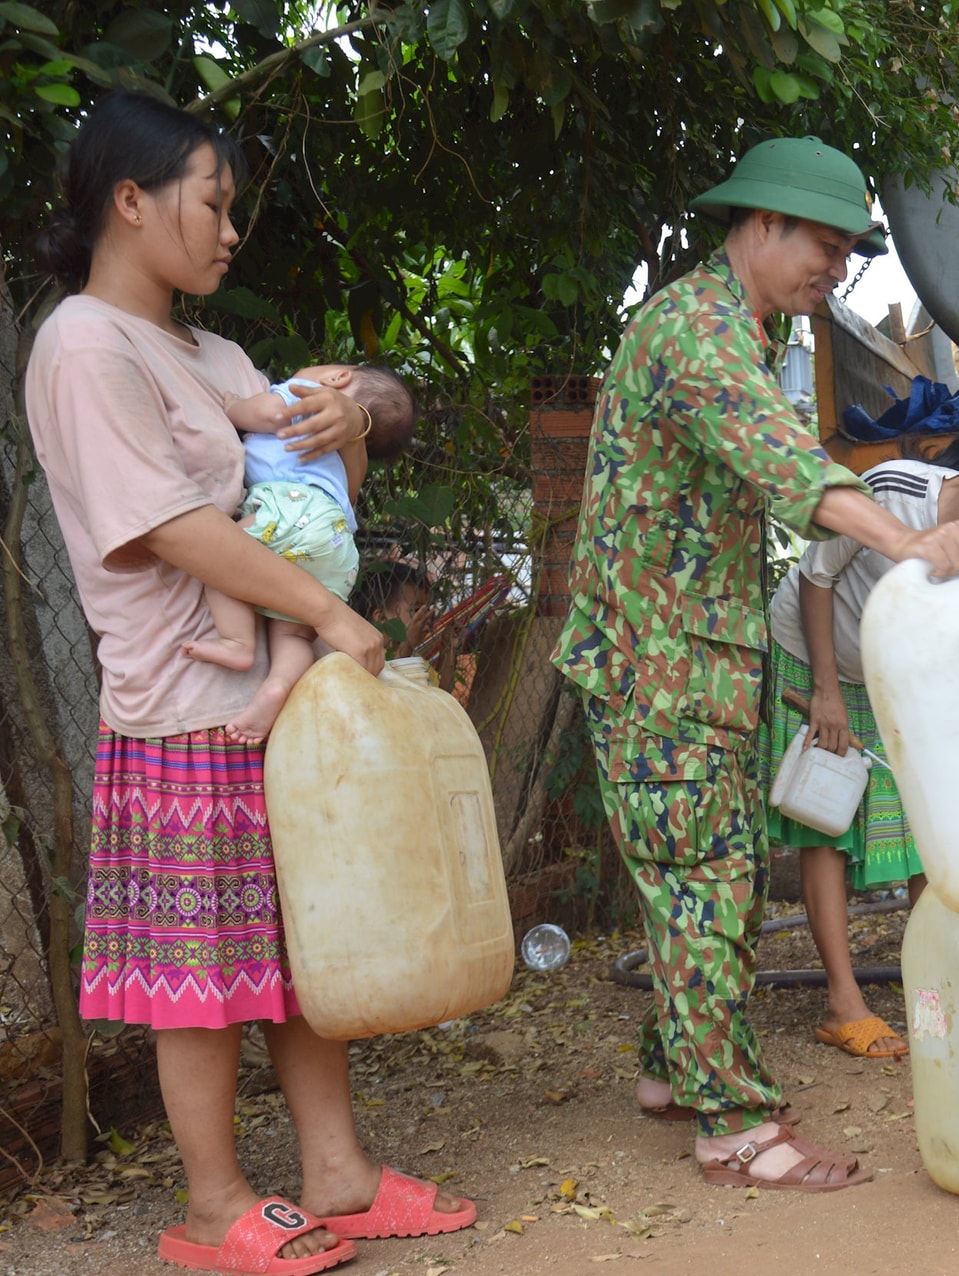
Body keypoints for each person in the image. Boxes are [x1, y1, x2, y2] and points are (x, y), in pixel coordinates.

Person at [23, 90, 472, 1275]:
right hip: (180, 703)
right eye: (212, 204)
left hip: (275, 705)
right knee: (204, 975)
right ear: (131, 200)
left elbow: (303, 503)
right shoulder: (83, 345)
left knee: (295, 951)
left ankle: (340, 1174)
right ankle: (213, 1203)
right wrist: (324, 610)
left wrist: (347, 433)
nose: (230, 231)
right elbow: (165, 525)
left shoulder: (214, 351)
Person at [551, 136, 959, 1193]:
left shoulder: (736, 330)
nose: (833, 271)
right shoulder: (700, 334)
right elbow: (789, 471)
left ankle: (675, 1072)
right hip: (659, 667)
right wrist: (910, 540)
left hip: (688, 661)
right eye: (823, 246)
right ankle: (736, 1128)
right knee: (706, 886)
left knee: (708, 879)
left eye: (846, 253)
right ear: (759, 223)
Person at [762, 393, 959, 1060]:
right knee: (828, 819)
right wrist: (824, 692)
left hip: (895, 671)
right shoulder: (895, 489)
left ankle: (943, 987)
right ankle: (843, 1003)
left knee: (925, 828)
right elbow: (815, 582)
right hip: (815, 651)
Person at [182, 363, 417, 740]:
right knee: (294, 634)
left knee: (221, 560)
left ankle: (239, 642)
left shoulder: (307, 394)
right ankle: (277, 686)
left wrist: (233, 407)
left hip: (290, 509)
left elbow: (270, 413)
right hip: (336, 540)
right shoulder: (344, 450)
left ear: (338, 378)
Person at [348, 560, 434, 659]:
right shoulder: (357, 657)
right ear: (381, 618)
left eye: (426, 611)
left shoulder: (414, 655)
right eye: (416, 610)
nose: (425, 619)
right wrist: (407, 645)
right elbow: (390, 673)